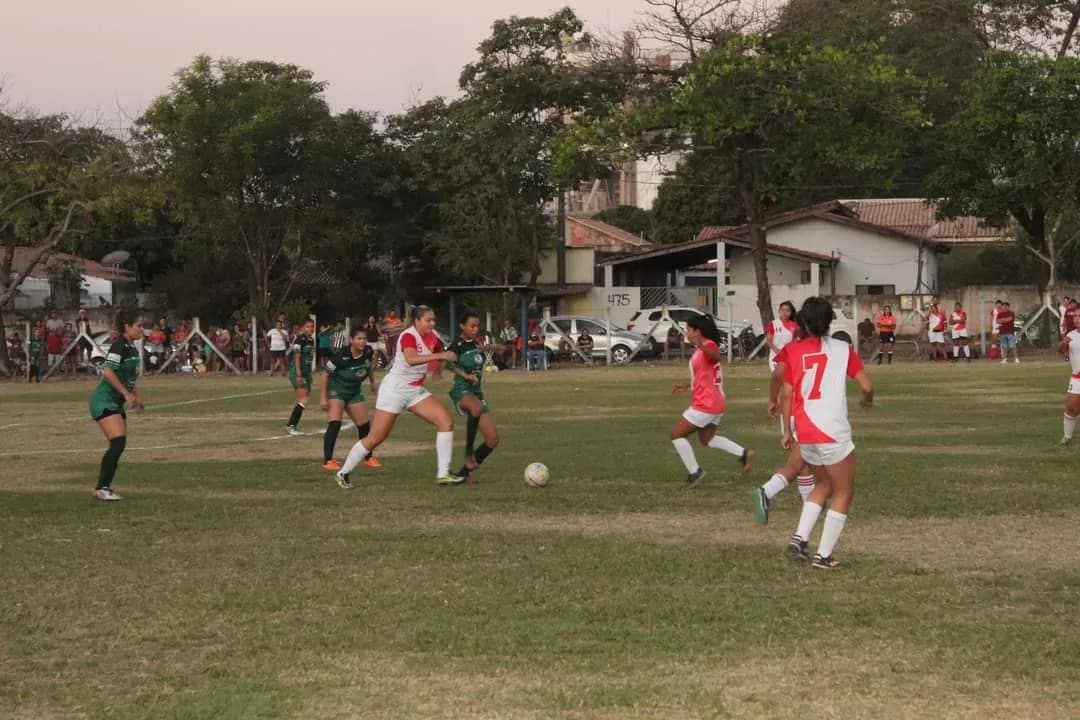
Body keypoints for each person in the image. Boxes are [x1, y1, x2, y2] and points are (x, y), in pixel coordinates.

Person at [781, 297, 874, 569]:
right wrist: (868, 400)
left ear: (803, 321)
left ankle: (799, 538)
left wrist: (787, 430)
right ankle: (823, 555)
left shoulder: (794, 351)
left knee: (824, 484)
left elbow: (787, 393)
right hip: (832, 430)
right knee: (844, 491)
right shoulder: (843, 349)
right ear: (829, 321)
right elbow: (866, 386)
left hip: (805, 430)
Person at [335, 305, 464, 489]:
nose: (432, 323)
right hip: (394, 390)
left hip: (414, 390)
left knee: (446, 421)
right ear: (417, 321)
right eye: (428, 320)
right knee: (376, 438)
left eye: (433, 319)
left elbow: (439, 357)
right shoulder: (408, 336)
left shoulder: (432, 336)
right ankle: (343, 473)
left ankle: (443, 474)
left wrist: (438, 369)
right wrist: (441, 354)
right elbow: (412, 359)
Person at [670, 315, 753, 487]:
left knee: (676, 435)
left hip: (706, 403)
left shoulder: (708, 345)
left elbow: (716, 357)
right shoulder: (702, 348)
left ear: (696, 331)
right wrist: (686, 385)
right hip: (715, 402)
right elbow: (705, 375)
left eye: (688, 329)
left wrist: (701, 345)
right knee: (707, 439)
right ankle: (743, 453)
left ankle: (695, 472)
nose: (686, 332)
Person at [753, 332, 817, 525]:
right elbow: (781, 380)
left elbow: (776, 376)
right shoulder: (823, 348)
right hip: (804, 414)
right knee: (795, 464)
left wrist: (773, 400)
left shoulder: (792, 349)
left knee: (805, 463)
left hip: (798, 413)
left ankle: (810, 506)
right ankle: (766, 492)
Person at [88, 311, 145, 501]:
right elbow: (108, 372)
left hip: (116, 402)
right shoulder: (119, 346)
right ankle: (101, 489)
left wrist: (136, 396)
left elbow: (130, 376)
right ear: (127, 326)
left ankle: (103, 488)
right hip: (104, 400)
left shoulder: (132, 348)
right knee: (118, 442)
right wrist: (125, 394)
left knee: (119, 444)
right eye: (139, 325)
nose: (142, 329)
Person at [446, 312, 501, 482]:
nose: (476, 329)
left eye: (477, 326)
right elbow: (448, 363)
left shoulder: (473, 342)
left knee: (492, 439)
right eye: (472, 326)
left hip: (477, 393)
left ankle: (464, 473)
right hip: (462, 390)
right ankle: (468, 453)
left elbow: (475, 350)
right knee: (475, 407)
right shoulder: (457, 344)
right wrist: (465, 375)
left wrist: (493, 347)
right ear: (462, 326)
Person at [320, 327, 382, 471]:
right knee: (335, 423)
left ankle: (368, 457)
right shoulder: (340, 355)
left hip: (354, 391)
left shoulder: (367, 351)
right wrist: (323, 397)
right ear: (351, 340)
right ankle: (328, 460)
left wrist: (372, 382)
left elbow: (368, 367)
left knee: (364, 425)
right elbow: (324, 374)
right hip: (337, 390)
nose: (362, 341)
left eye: (364, 339)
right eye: (359, 339)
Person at [285, 318, 316, 436]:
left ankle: (293, 425)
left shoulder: (311, 340)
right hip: (298, 372)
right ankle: (290, 426)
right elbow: (297, 357)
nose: (310, 329)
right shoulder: (300, 339)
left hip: (306, 373)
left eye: (312, 326)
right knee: (303, 399)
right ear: (303, 328)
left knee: (304, 399)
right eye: (308, 326)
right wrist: (298, 375)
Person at [1059, 312, 1080, 446]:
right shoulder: (1071, 335)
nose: (1077, 319)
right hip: (1077, 377)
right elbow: (1062, 352)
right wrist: (1063, 344)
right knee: (1072, 408)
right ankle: (1067, 436)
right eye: (1075, 316)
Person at [766, 301, 798, 371]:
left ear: (791, 312)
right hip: (775, 354)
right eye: (782, 310)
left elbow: (795, 341)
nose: (784, 313)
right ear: (779, 311)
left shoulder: (794, 325)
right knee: (777, 377)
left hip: (789, 354)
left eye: (787, 311)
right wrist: (777, 351)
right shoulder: (773, 324)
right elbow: (769, 341)